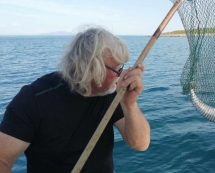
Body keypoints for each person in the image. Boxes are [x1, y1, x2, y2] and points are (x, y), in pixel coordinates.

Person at [0, 27, 150, 173]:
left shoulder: (112, 92)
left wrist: (129, 104)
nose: (121, 74)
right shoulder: (35, 98)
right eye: (117, 69)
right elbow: (2, 160)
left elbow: (140, 144)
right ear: (92, 67)